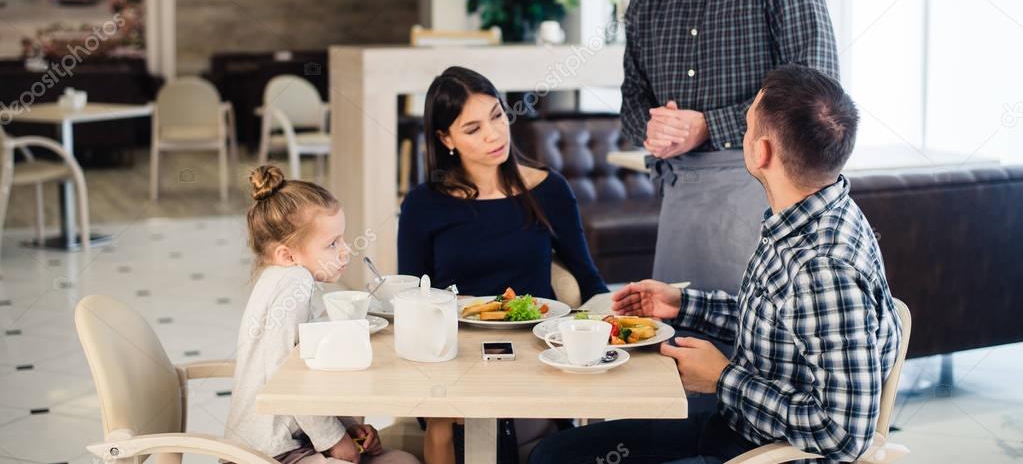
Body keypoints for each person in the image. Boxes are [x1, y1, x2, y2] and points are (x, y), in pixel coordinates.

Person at [531, 65, 902, 464]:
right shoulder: (809, 213)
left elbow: (845, 434)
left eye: (746, 128)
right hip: (736, 429)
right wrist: (683, 304)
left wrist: (723, 379)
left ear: (761, 151)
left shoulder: (824, 268)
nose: (742, 138)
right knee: (555, 453)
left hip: (763, 454)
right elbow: (780, 325)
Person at [621, 0, 840, 292]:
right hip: (680, 195)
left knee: (753, 347)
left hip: (766, 193)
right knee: (676, 340)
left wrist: (708, 127)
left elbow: (818, 94)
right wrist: (652, 126)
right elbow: (632, 98)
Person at [398, 66, 609, 464]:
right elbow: (411, 296)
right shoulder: (423, 204)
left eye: (497, 116)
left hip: (537, 353)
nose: (494, 135)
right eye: (473, 128)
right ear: (445, 138)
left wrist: (613, 325)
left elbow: (588, 280)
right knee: (458, 426)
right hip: (453, 356)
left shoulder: (549, 189)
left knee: (511, 434)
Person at [225, 165, 420, 464]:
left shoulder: (287, 278)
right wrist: (334, 438)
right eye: (331, 244)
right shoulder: (294, 282)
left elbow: (312, 375)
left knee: (402, 461)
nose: (345, 251)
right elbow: (286, 377)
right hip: (267, 452)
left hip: (296, 440)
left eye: (342, 239)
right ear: (286, 254)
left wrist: (348, 426)